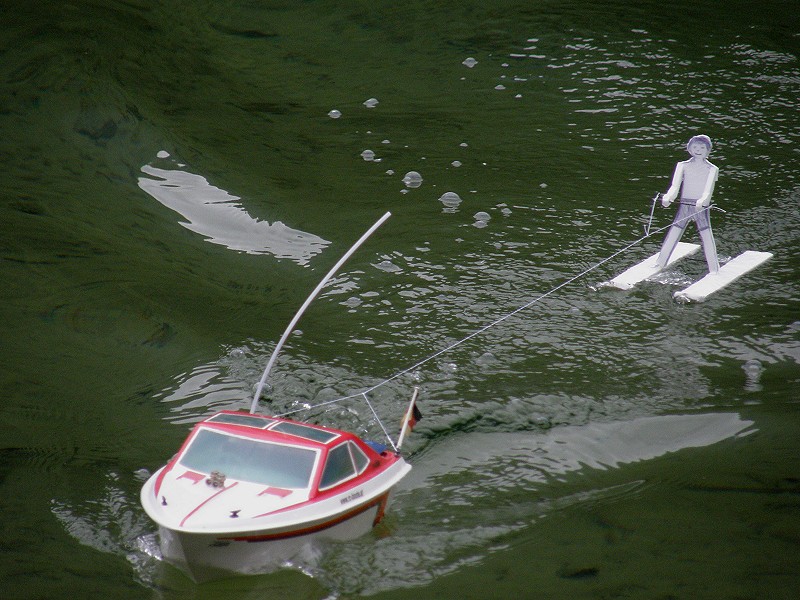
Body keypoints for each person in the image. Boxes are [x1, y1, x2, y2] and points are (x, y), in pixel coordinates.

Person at [655, 134, 720, 274]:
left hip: (700, 207)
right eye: (695, 147)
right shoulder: (682, 166)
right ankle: (660, 263)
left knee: (706, 235)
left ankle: (714, 269)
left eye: (702, 148)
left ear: (708, 150)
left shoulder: (712, 169)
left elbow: (708, 191)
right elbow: (675, 186)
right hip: (684, 205)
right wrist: (668, 197)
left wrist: (702, 201)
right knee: (674, 232)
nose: (698, 150)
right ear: (689, 149)